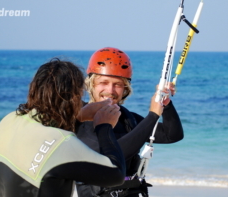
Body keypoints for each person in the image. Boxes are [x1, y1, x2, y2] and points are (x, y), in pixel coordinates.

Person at [0, 58, 126, 197]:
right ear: (74, 97)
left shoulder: (8, 120)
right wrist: (104, 126)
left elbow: (43, 137)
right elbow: (116, 174)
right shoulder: (62, 142)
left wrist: (78, 117)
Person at [76, 47, 184, 197]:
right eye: (103, 82)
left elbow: (171, 135)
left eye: (118, 84)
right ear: (91, 84)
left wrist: (166, 104)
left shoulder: (128, 118)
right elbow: (109, 159)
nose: (110, 90)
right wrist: (152, 115)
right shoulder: (80, 119)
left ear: (125, 89)